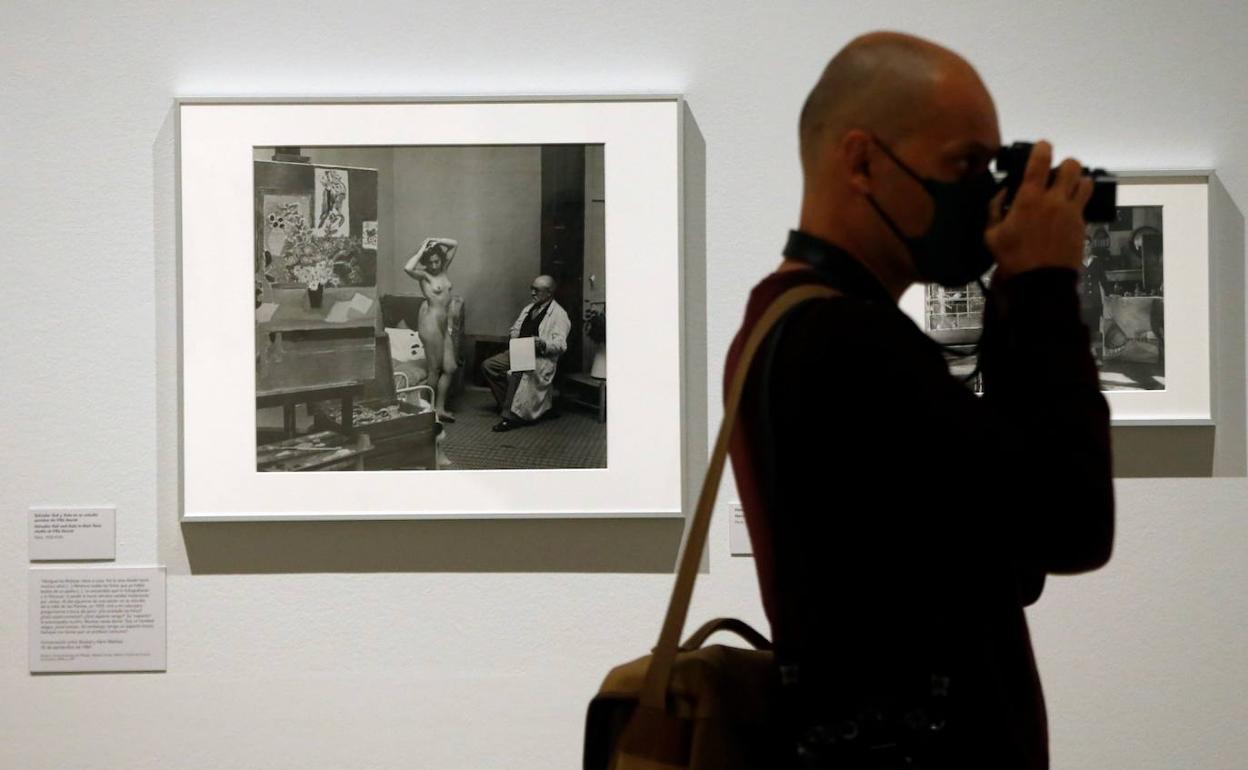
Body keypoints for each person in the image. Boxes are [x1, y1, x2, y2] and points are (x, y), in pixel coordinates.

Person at [725, 32, 1114, 769]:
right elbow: (1071, 522)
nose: (982, 193)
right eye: (966, 164)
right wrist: (1041, 286)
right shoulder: (844, 339)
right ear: (864, 161)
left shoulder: (785, 318)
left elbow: (1005, 549)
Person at [480, 275, 571, 431]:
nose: (532, 293)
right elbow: (515, 328)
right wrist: (515, 336)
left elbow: (561, 345)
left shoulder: (559, 315)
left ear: (549, 293)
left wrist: (542, 343)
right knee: (488, 366)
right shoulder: (529, 308)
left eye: (537, 290)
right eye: (532, 289)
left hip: (539, 356)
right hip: (519, 349)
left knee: (518, 371)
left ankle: (509, 417)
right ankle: (508, 405)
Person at [403, 237, 462, 422]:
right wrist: (422, 249)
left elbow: (454, 244)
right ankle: (429, 410)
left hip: (444, 324)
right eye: (431, 262)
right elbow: (407, 268)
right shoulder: (424, 275)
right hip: (430, 324)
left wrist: (433, 240)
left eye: (437, 261)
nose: (435, 265)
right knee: (434, 370)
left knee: (450, 367)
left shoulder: (443, 270)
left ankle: (440, 408)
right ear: (425, 262)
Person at [1079, 231, 1110, 358]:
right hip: (1081, 302)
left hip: (1095, 301)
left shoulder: (1097, 262)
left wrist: (1110, 294)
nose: (1085, 248)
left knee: (1095, 328)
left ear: (1091, 247)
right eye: (1083, 245)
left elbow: (1104, 280)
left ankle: (1095, 355)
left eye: (1088, 245)